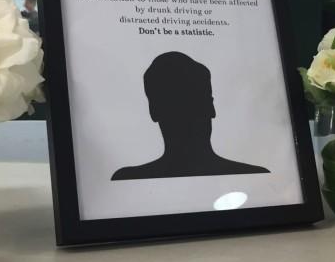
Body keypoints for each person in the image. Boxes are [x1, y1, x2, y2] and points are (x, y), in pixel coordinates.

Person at [112, 52, 269, 181]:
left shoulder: (129, 178)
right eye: (176, 102)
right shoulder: (254, 176)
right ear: (211, 107)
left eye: (191, 100)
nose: (185, 116)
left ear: (153, 111)